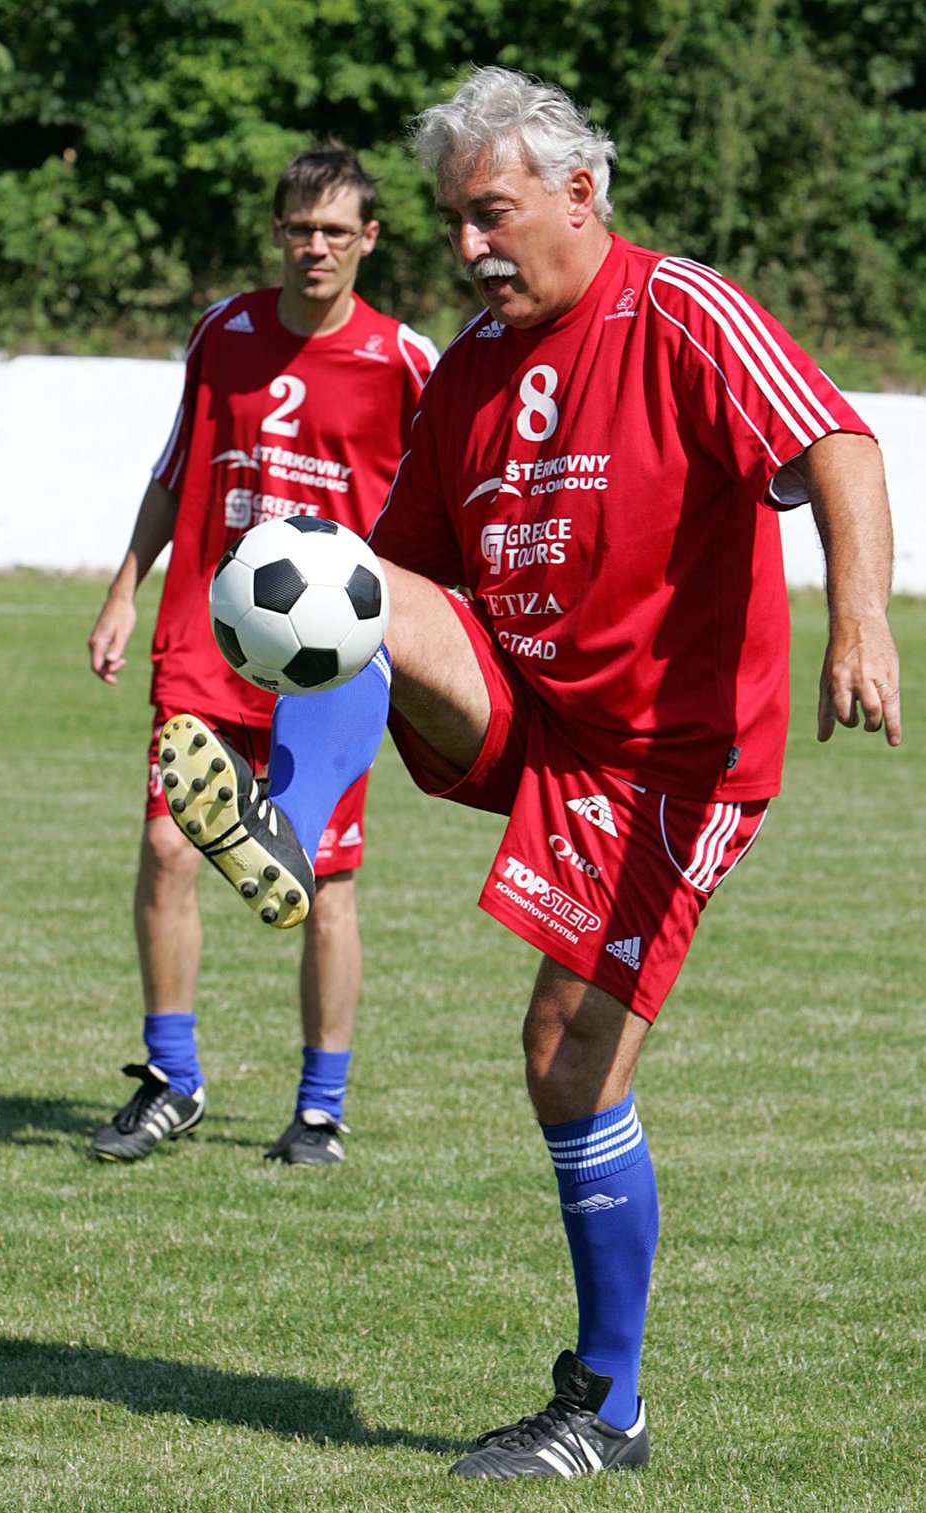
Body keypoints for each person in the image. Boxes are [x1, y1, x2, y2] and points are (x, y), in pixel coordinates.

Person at [157, 68, 901, 1477]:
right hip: (536, 722)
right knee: (342, 569)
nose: (467, 248)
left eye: (488, 214)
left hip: (673, 762)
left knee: (564, 1057)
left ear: (578, 193)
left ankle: (605, 1408)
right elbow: (392, 590)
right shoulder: (473, 371)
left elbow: (835, 440)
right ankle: (288, 824)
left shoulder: (679, 308)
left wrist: (857, 615)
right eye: (449, 222)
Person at [87, 143, 437, 1167]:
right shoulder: (224, 332)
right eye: (300, 228)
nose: (315, 247)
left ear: (368, 239)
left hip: (327, 669)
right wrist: (124, 587)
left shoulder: (403, 359)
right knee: (163, 848)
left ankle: (319, 1108)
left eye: (336, 231)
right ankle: (172, 1080)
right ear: (277, 231)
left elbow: (439, 503)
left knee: (324, 880)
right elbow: (173, 467)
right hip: (205, 633)